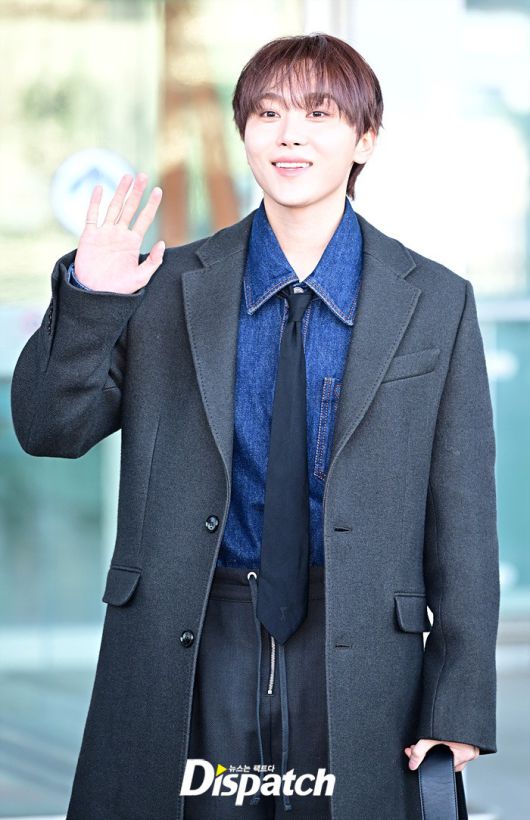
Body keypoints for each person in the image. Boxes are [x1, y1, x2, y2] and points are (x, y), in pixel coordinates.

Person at [11, 33, 498, 820]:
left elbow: (465, 516)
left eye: (318, 113)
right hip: (195, 637)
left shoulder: (436, 301)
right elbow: (48, 428)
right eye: (268, 113)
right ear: (244, 134)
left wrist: (460, 699)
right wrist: (93, 300)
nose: (289, 134)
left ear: (365, 139)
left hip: (362, 651)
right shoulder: (167, 287)